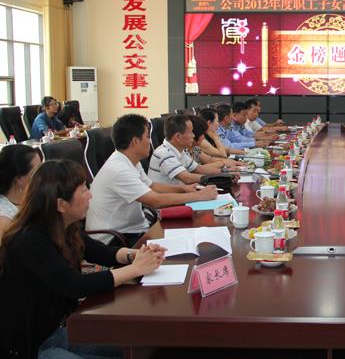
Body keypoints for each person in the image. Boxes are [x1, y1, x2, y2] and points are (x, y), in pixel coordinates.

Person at [0, 159, 166, 358]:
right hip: (31, 345)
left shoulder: (66, 226)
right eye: (84, 190)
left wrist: (135, 255)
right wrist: (136, 269)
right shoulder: (29, 240)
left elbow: (102, 253)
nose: (90, 195)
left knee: (138, 346)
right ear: (61, 204)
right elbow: (75, 285)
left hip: (60, 329)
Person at [86, 114, 218, 246]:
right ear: (135, 141)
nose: (150, 141)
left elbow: (151, 186)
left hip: (133, 229)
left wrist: (183, 189)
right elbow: (155, 200)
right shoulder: (119, 169)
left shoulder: (130, 160)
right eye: (147, 136)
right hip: (114, 239)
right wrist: (199, 196)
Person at [148, 114, 230, 185]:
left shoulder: (182, 150)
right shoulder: (165, 153)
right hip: (169, 196)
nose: (193, 135)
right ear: (178, 137)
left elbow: (199, 169)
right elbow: (187, 178)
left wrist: (225, 172)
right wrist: (222, 172)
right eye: (191, 132)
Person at [0, 145, 41, 238]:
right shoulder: (4, 219)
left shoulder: (33, 197)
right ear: (19, 179)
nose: (42, 174)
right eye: (37, 171)